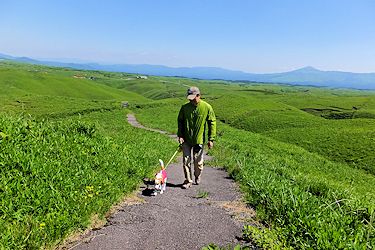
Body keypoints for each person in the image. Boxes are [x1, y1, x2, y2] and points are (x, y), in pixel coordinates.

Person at [177, 86, 216, 189]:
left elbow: (212, 122)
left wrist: (211, 139)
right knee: (186, 161)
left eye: (193, 97)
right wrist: (180, 135)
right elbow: (180, 121)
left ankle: (197, 176)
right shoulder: (184, 108)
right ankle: (188, 181)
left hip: (199, 140)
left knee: (198, 162)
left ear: (199, 96)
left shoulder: (207, 107)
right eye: (189, 97)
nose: (191, 100)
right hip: (186, 139)